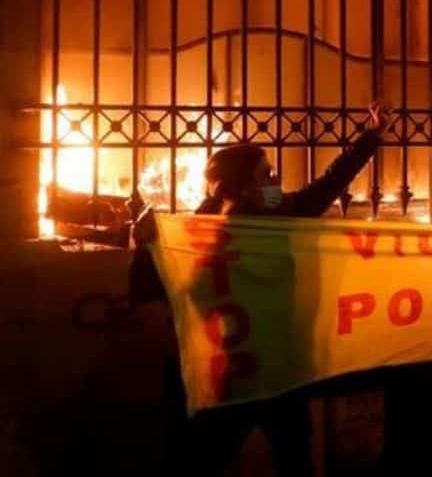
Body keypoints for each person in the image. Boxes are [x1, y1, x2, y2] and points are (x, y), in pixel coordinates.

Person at [130, 102, 387, 476]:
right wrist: (144, 245)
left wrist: (372, 136)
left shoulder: (282, 215)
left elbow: (332, 182)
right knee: (204, 460)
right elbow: (148, 288)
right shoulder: (200, 234)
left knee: (293, 458)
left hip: (279, 371)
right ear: (245, 187)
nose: (275, 180)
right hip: (231, 374)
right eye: (266, 174)